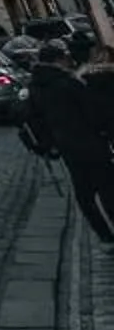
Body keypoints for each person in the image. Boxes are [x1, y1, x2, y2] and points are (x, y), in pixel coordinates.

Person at [19, 40, 114, 244]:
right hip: (91, 141)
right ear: (59, 60)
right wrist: (106, 132)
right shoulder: (68, 83)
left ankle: (104, 235)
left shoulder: (35, 87)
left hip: (66, 147)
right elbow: (94, 112)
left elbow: (33, 119)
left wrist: (49, 144)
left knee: (84, 194)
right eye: (66, 59)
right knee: (107, 188)